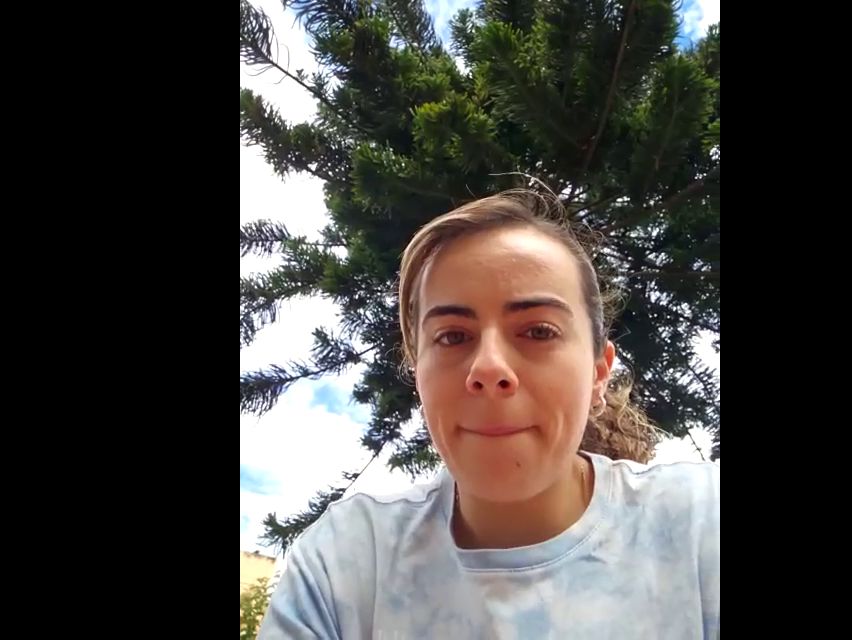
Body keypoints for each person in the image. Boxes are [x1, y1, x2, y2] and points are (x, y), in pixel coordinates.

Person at [257, 190, 720, 639]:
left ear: (599, 373)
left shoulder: (702, 525)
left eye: (538, 331)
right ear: (418, 373)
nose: (489, 368)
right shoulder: (347, 562)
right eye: (452, 337)